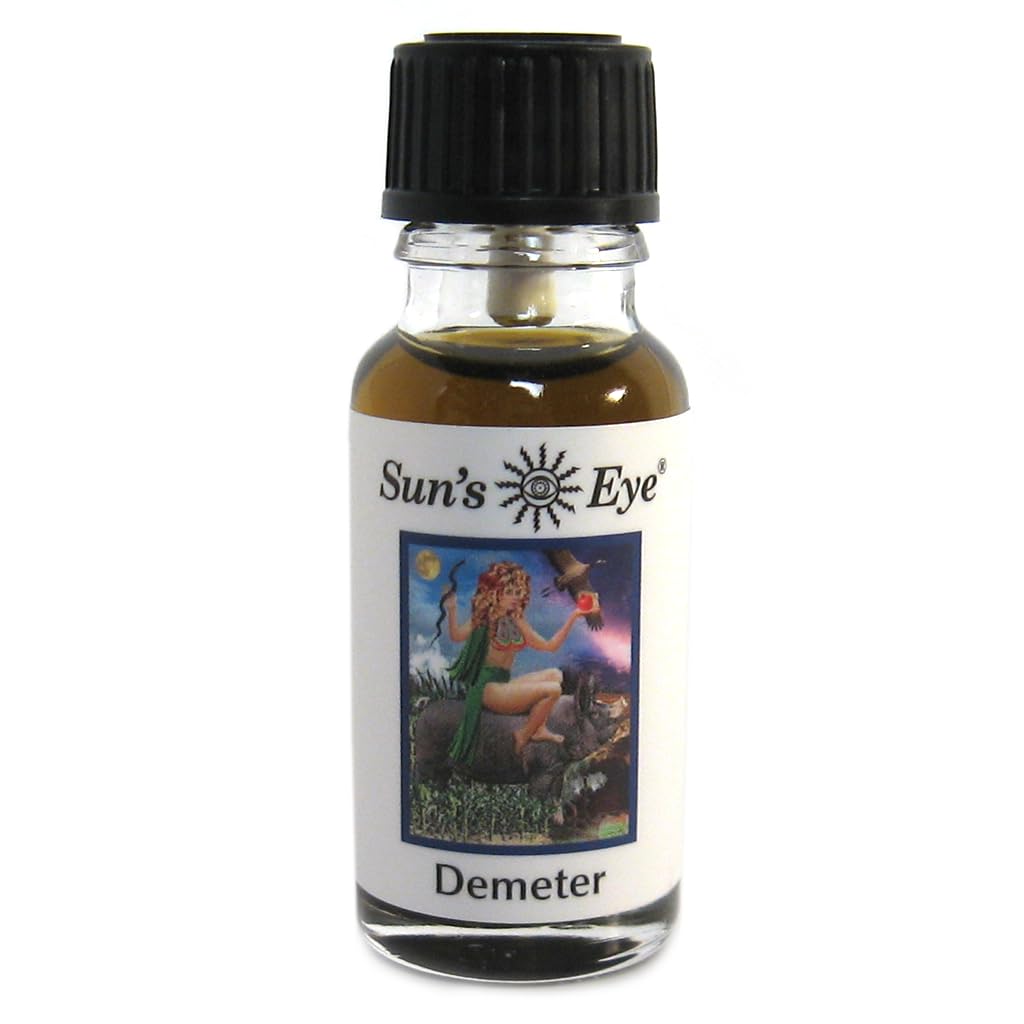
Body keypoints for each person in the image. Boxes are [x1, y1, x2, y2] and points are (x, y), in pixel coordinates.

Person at [443, 560, 596, 765]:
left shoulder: (517, 621)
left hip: (503, 684)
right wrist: (452, 609)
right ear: (495, 592)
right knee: (553, 690)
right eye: (510, 592)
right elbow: (456, 636)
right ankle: (523, 735)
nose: (516, 597)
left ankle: (539, 728)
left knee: (556, 675)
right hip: (487, 689)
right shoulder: (483, 618)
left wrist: (574, 616)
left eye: (518, 592)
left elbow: (549, 646)